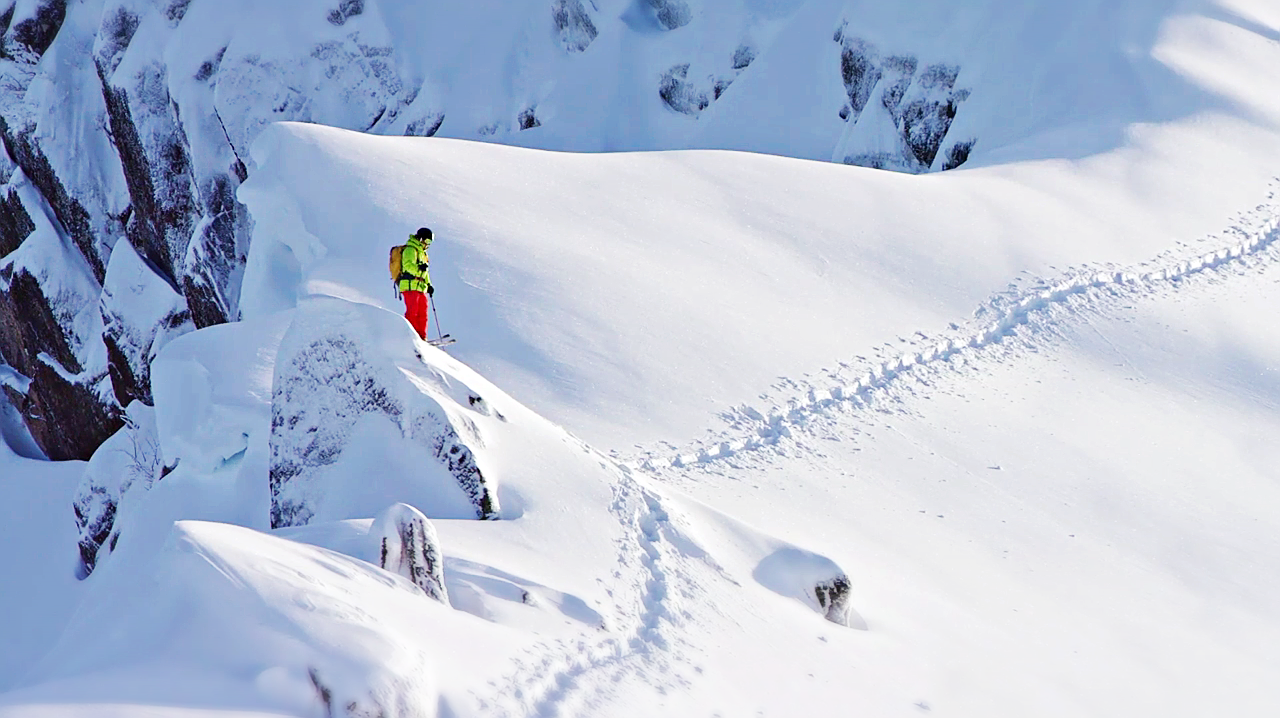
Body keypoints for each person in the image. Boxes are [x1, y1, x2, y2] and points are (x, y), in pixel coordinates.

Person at [399, 227, 434, 340]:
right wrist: (419, 268)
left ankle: (422, 337)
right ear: (421, 239)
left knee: (423, 313)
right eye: (427, 241)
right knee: (413, 312)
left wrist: (429, 284)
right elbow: (407, 266)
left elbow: (425, 272)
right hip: (409, 284)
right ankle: (411, 337)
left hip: (420, 286)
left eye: (430, 242)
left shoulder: (422, 253)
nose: (428, 244)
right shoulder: (410, 250)